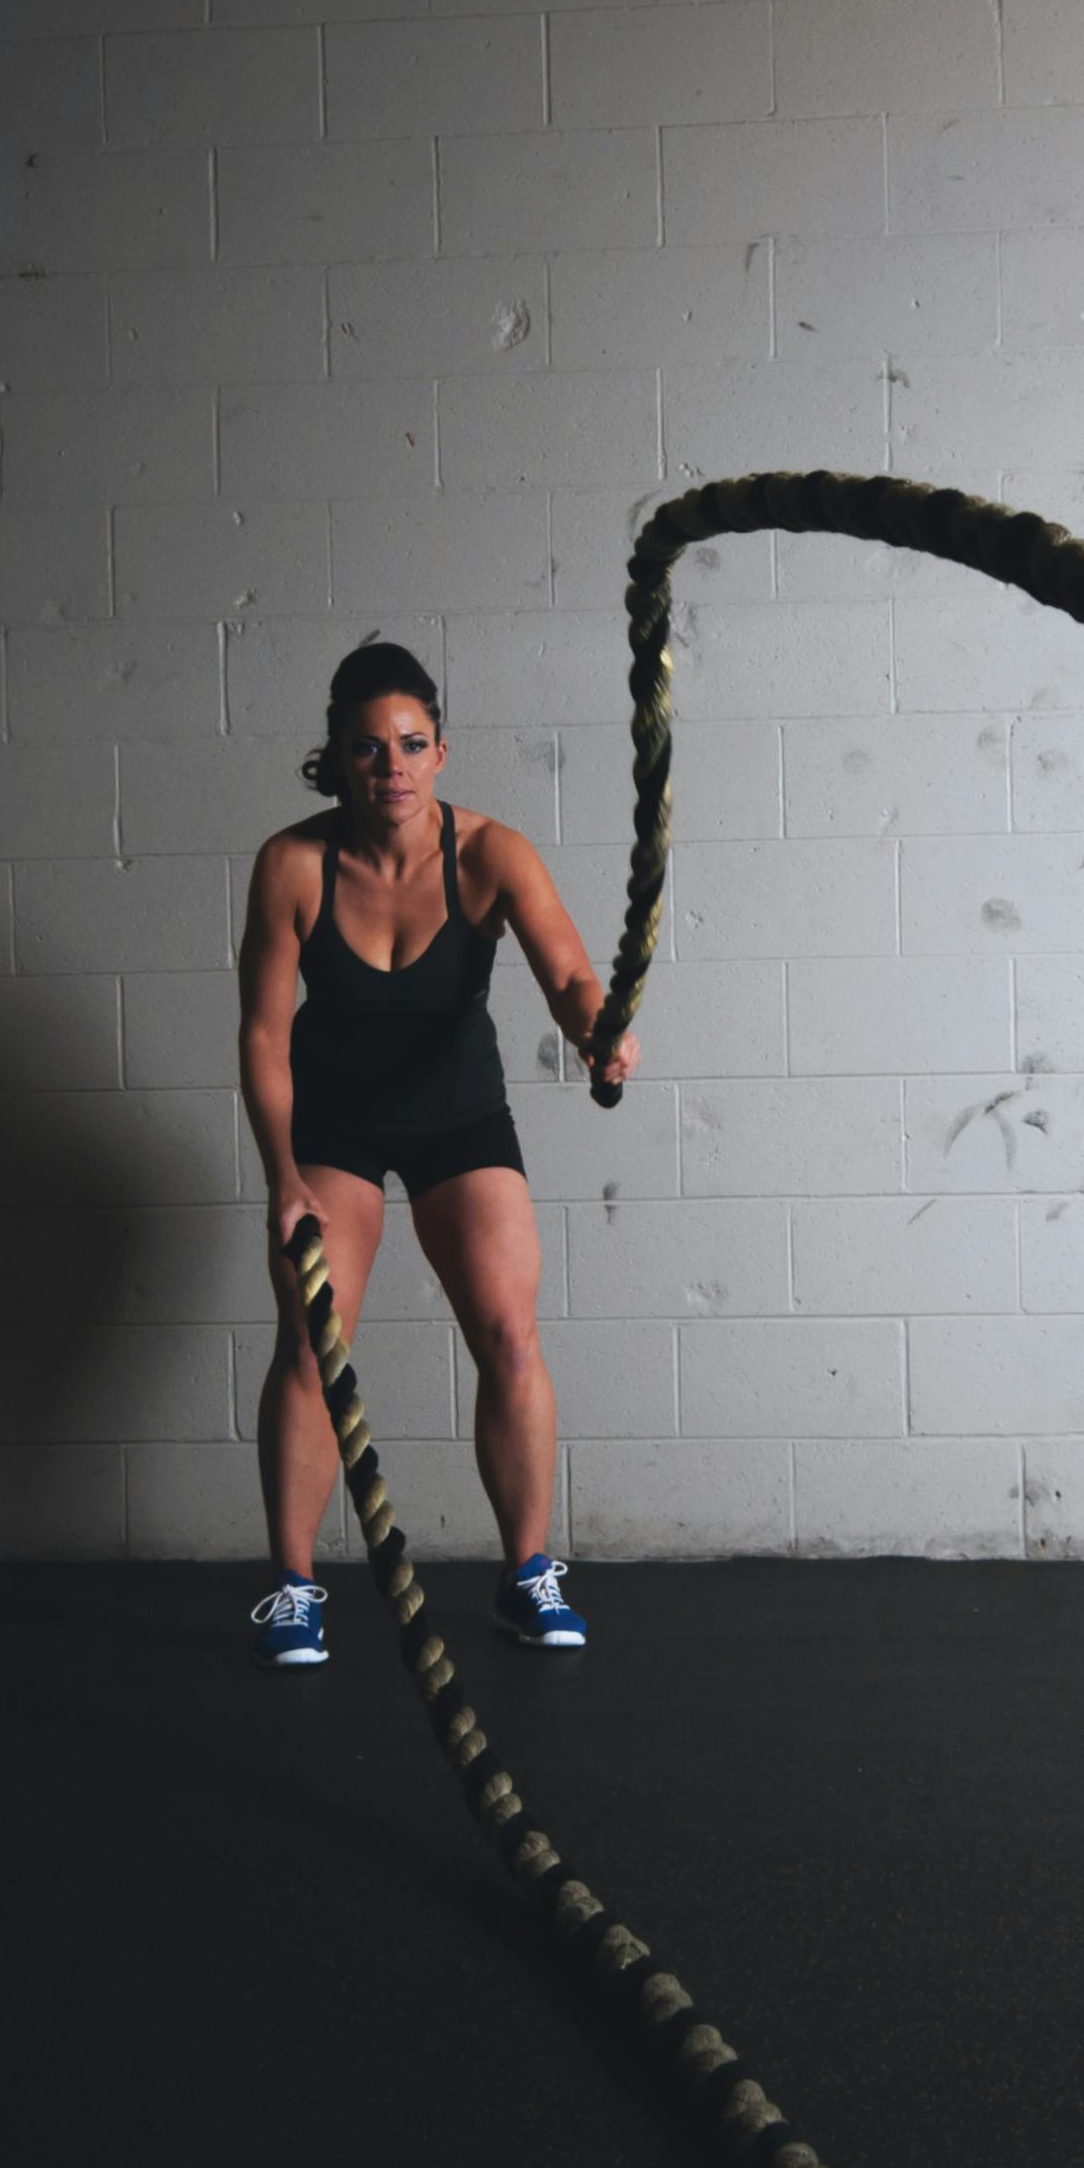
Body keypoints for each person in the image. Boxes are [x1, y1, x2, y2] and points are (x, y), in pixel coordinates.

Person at [236, 640, 640, 1667]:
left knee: (511, 1333)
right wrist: (282, 1178)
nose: (393, 767)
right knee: (311, 1343)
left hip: (460, 1120)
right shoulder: (292, 864)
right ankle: (292, 1587)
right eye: (370, 749)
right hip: (334, 1126)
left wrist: (599, 1028)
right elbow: (264, 1034)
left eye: (412, 744)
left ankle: (527, 1572)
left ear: (442, 753)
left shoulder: (491, 854)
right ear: (339, 756)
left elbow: (569, 977)